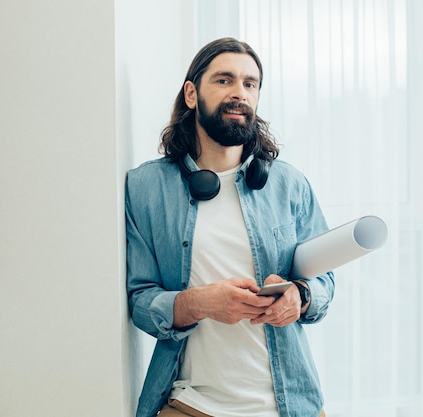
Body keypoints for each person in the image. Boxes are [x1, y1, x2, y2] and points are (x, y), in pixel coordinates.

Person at [125, 37, 335, 417]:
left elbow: (325, 284)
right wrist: (201, 302)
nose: (240, 93)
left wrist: (299, 297)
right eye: (224, 80)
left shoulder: (290, 184)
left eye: (250, 83)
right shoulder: (144, 188)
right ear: (192, 94)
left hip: (294, 405)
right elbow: (139, 300)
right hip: (192, 405)